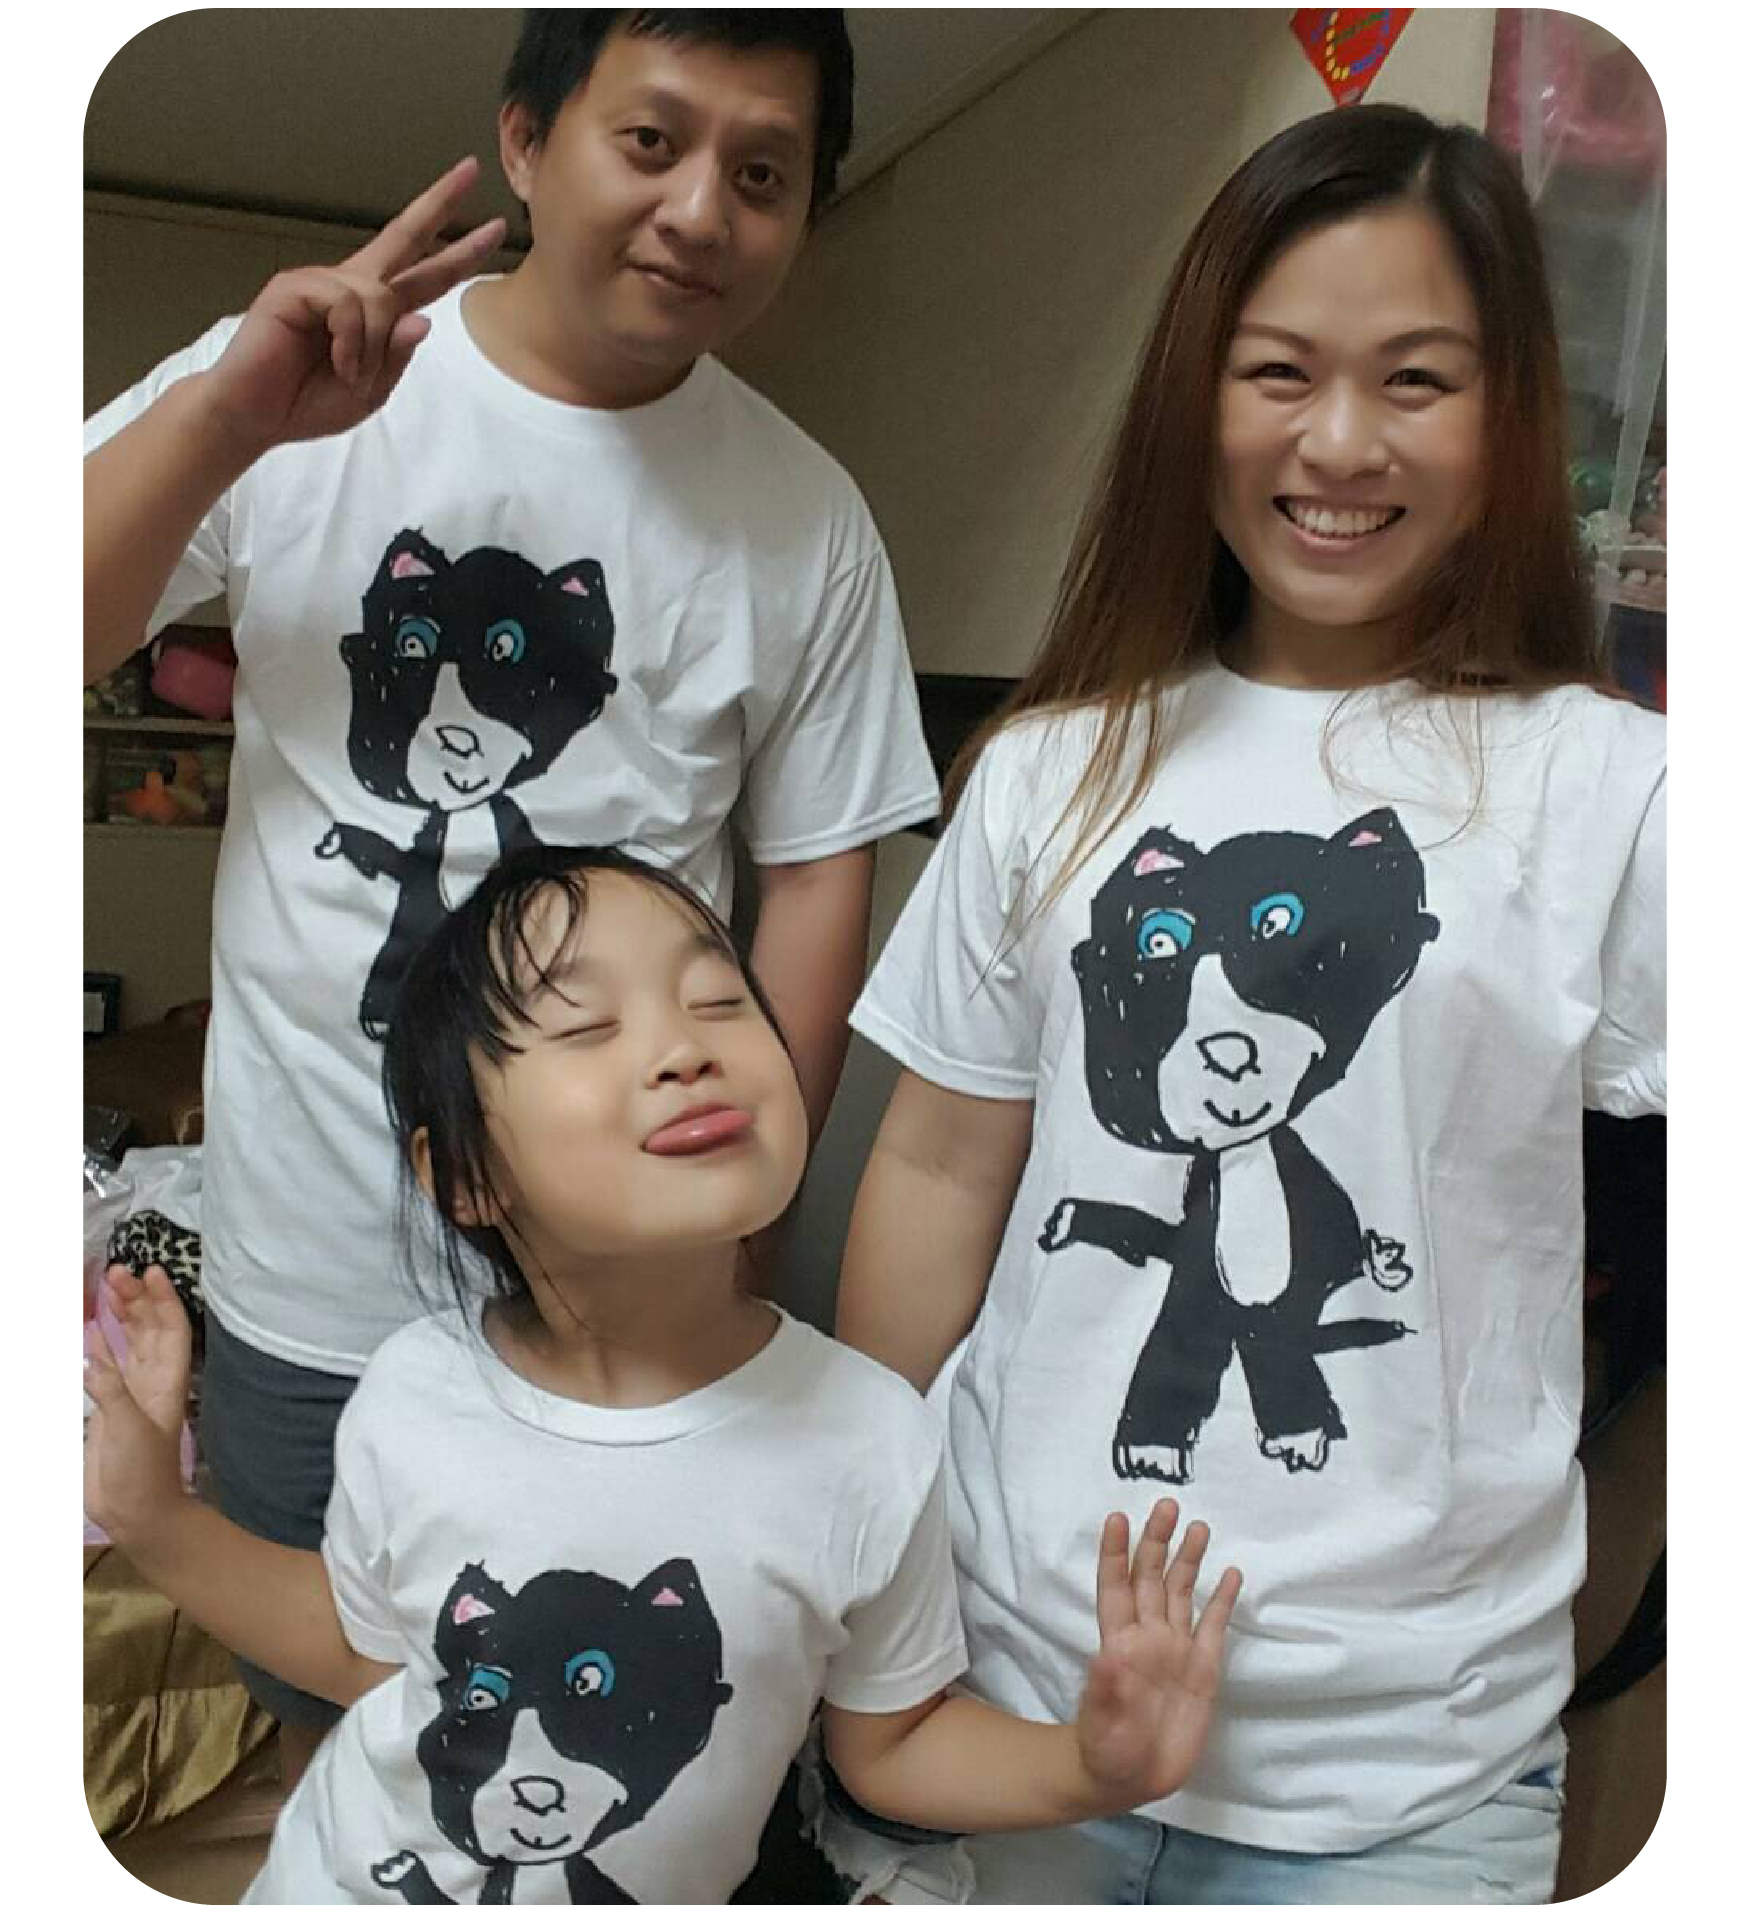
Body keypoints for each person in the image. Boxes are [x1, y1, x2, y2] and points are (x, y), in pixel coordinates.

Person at [83, 10, 940, 1771]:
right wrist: (226, 419)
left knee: (627, 1735)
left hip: (627, 1295)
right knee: (345, 1727)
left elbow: (811, 884)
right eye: (652, 140)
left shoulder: (804, 514)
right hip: (312, 1268)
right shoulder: (298, 387)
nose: (700, 210)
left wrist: (741, 1230)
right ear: (528, 142)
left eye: (762, 173)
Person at [828, 104, 1665, 1905]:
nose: (1339, 443)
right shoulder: (1047, 767)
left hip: (1405, 1765)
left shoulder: (1617, 787)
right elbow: (941, 1165)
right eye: (1277, 372)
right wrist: (847, 1532)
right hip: (1013, 1687)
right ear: (1190, 397)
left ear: (1509, 411)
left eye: (1415, 380)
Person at [83, 845, 1243, 1905]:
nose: (686, 1048)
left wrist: (1089, 1763)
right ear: (466, 1174)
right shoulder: (416, 1391)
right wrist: (152, 1511)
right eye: (585, 1024)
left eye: (719, 999)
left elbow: (887, 1744)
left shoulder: (870, 1435)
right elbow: (364, 1649)